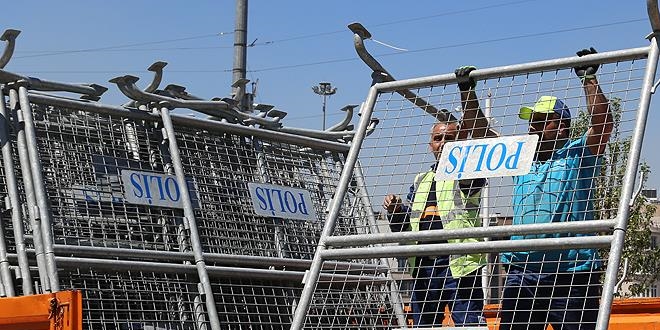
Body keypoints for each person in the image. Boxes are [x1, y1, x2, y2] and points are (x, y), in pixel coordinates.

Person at [499, 47, 613, 330]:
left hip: (571, 273)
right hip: (522, 271)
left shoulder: (579, 153)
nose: (532, 128)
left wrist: (588, 78)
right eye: (530, 122)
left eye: (540, 121)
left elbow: (603, 123)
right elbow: (480, 134)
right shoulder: (521, 157)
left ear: (562, 127)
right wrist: (468, 91)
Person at [383, 66, 496, 326]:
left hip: (458, 265)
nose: (443, 142)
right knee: (424, 325)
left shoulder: (467, 172)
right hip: (424, 266)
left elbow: (477, 137)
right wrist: (396, 210)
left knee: (468, 324)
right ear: (430, 143)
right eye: (438, 138)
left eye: (449, 137)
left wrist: (466, 93)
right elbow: (405, 228)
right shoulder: (421, 180)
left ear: (459, 142)